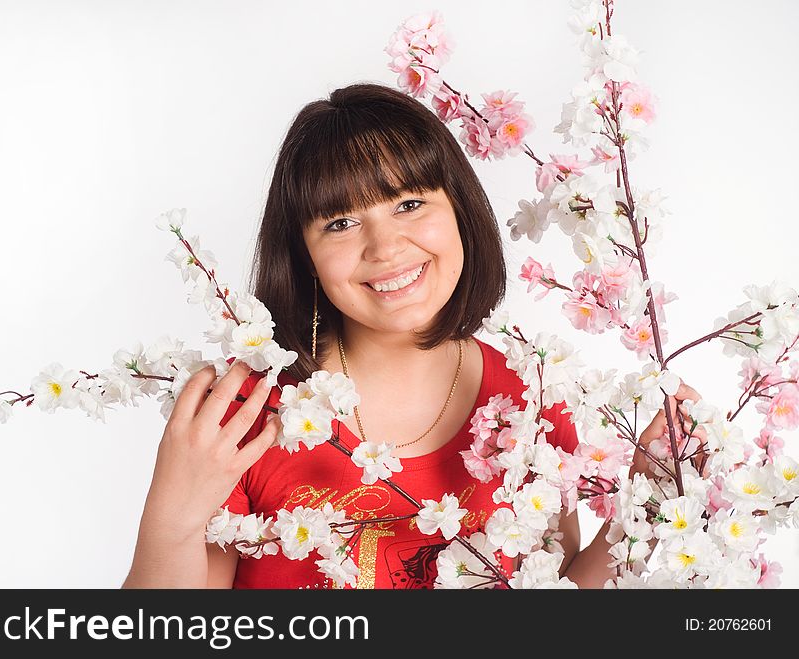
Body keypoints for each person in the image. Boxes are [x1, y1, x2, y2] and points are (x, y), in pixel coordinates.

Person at [122, 83, 703, 589]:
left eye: (408, 203)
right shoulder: (245, 417)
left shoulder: (534, 401)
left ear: (460, 213)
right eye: (341, 223)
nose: (385, 248)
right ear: (303, 255)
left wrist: (646, 508)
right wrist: (171, 517)